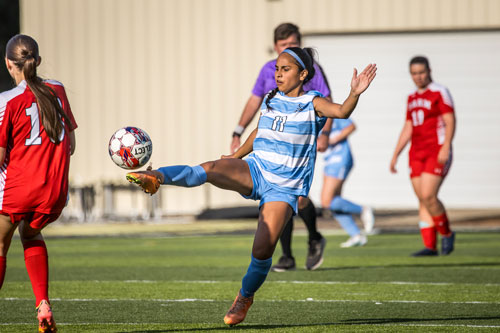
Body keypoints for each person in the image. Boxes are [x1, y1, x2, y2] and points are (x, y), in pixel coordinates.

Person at [127, 46, 376, 326]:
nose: (279, 74)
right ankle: (157, 176)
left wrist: (355, 92)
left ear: (303, 74)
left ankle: (244, 296)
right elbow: (260, 131)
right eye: (277, 69)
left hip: (284, 187)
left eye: (286, 69)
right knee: (211, 168)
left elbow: (341, 111)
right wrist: (236, 157)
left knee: (262, 250)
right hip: (257, 169)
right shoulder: (272, 99)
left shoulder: (313, 103)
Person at [230, 22, 334, 272]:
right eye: (284, 45)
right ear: (276, 47)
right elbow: (255, 100)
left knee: (297, 198)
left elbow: (326, 101)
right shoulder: (268, 70)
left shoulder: (311, 69)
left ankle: (314, 237)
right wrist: (238, 131)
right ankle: (287, 256)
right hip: (271, 140)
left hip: (298, 142)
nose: (289, 48)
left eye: (293, 44)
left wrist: (325, 134)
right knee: (277, 197)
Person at [0, 34, 77, 332]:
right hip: (53, 192)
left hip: (18, 188)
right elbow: (70, 144)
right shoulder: (57, 89)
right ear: (38, 61)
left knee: (1, 244)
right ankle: (42, 303)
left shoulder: (6, 100)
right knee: (30, 236)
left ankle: (43, 303)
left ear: (9, 64)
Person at [390, 55, 455, 257]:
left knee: (429, 195)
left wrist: (446, 146)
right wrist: (396, 154)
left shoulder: (439, 92)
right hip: (416, 153)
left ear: (429, 71)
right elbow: (408, 126)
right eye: (414, 73)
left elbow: (450, 120)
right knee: (421, 199)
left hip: (435, 150)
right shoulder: (412, 97)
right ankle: (430, 246)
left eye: (421, 72)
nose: (418, 77)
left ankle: (447, 233)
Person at [320, 118, 375, 247]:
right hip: (329, 160)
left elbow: (351, 126)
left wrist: (333, 139)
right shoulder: (312, 114)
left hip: (339, 158)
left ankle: (363, 210)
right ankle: (356, 235)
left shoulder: (330, 112)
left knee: (326, 201)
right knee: (334, 201)